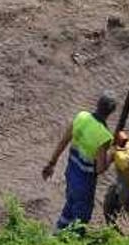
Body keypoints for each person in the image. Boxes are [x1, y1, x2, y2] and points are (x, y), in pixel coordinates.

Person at [42, 94, 117, 232]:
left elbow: (63, 142)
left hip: (71, 173)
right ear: (111, 112)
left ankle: (58, 233)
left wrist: (51, 163)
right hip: (84, 184)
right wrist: (112, 155)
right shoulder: (104, 136)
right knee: (80, 222)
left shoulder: (81, 117)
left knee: (70, 204)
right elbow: (100, 168)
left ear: (97, 104)